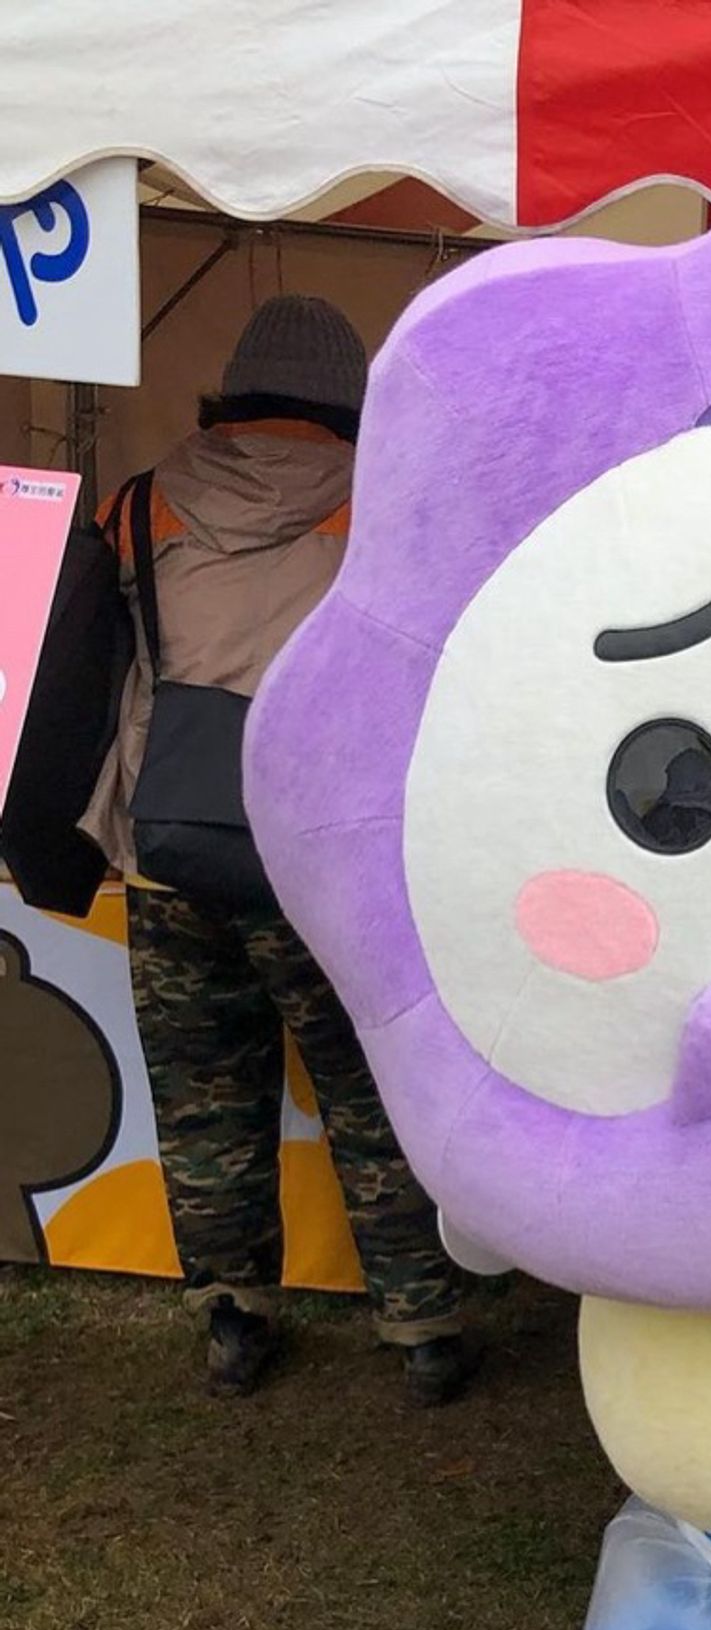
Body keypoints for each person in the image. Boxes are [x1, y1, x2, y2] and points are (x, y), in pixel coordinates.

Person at [80, 297, 476, 1405]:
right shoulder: (387, 503)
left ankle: (233, 1319)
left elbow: (86, 671)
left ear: (235, 392)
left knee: (206, 1090)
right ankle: (423, 1326)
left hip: (170, 848)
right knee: (368, 1089)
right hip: (324, 858)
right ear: (351, 398)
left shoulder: (141, 502)